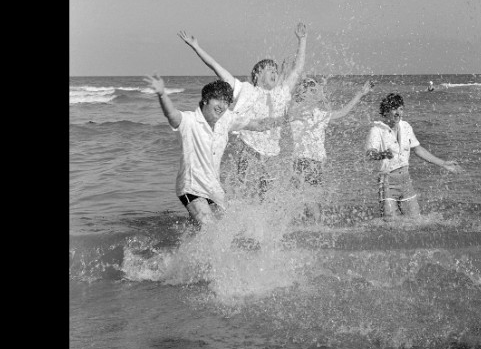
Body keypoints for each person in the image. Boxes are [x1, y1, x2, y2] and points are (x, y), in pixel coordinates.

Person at [177, 23, 307, 199]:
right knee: (240, 188)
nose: (275, 73)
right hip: (248, 148)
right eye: (270, 70)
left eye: (276, 71)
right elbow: (217, 68)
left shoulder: (282, 93)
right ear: (258, 73)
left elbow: (298, 70)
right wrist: (196, 47)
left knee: (266, 196)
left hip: (272, 153)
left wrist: (303, 40)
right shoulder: (245, 90)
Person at [143, 73, 289, 226]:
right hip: (192, 187)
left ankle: (181, 241)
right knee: (208, 226)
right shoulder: (190, 121)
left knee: (225, 228)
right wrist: (162, 94)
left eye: (226, 101)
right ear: (206, 100)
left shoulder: (226, 120)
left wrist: (285, 120)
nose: (222, 105)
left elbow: (258, 125)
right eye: (218, 99)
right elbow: (172, 115)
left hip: (214, 189)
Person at [365, 93, 463, 220]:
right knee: (390, 223)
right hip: (387, 181)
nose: (398, 113)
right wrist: (383, 154)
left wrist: (443, 163)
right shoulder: (377, 130)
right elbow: (370, 154)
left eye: (400, 109)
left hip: (405, 180)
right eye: (394, 109)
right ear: (386, 110)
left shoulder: (405, 127)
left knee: (415, 221)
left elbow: (417, 149)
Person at [288, 78, 374, 222]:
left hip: (315, 164)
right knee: (307, 199)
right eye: (311, 91)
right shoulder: (296, 111)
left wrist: (360, 94)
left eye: (316, 91)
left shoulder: (319, 114)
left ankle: (310, 227)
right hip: (303, 161)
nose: (316, 94)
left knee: (309, 199)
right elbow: (287, 102)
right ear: (302, 93)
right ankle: (314, 226)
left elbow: (342, 112)